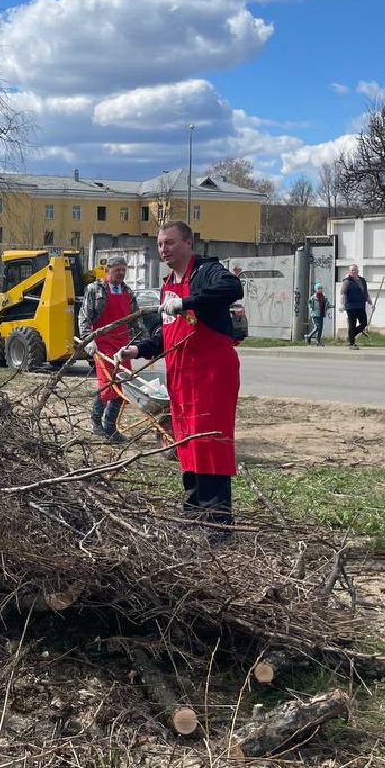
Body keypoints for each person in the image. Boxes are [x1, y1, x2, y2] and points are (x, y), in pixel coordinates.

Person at [119, 221, 244, 538]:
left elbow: (233, 288)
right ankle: (193, 513)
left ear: (189, 243)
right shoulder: (166, 286)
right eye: (160, 244)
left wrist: (186, 302)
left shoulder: (207, 271)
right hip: (181, 375)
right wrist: (137, 349)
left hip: (211, 372)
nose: (164, 249)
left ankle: (218, 520)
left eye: (170, 243)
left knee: (209, 441)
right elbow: (166, 335)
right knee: (185, 442)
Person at [79, 253, 139, 442]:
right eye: (117, 270)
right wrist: (89, 340)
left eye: (123, 270)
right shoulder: (95, 289)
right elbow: (84, 316)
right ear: (108, 270)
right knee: (107, 385)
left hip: (123, 345)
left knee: (123, 386)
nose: (121, 273)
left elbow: (135, 319)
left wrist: (145, 341)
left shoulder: (128, 292)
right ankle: (96, 422)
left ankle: (111, 427)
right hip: (103, 344)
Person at [340, 264, 371, 349]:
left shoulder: (362, 280)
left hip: (361, 305)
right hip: (350, 306)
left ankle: (351, 336)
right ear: (349, 272)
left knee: (364, 323)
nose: (354, 272)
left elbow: (365, 292)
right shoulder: (347, 281)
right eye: (352, 270)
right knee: (352, 324)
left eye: (355, 270)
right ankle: (351, 343)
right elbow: (342, 293)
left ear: (358, 271)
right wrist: (342, 304)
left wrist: (369, 300)